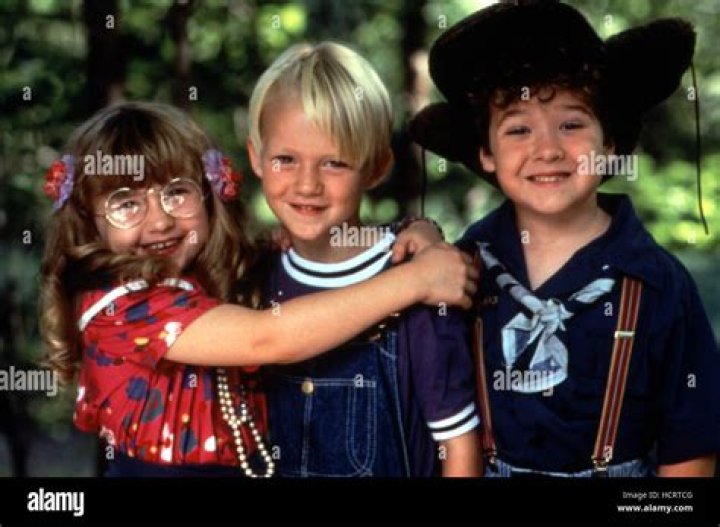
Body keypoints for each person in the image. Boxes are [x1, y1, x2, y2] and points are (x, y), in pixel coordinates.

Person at [39, 101, 478, 477]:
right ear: (88, 219)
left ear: (208, 194)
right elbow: (269, 337)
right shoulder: (120, 305)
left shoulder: (213, 278)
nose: (160, 220)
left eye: (177, 193)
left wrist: (417, 231)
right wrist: (415, 280)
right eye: (127, 203)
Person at [410, 0, 720, 477]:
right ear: (486, 153)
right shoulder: (461, 271)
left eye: (571, 124)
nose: (548, 149)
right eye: (518, 129)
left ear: (609, 142)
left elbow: (690, 448)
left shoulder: (660, 285)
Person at [247, 42, 481, 477]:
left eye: (334, 163)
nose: (307, 184)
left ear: (376, 168)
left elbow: (458, 446)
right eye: (285, 160)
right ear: (255, 158)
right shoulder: (254, 276)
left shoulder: (422, 278)